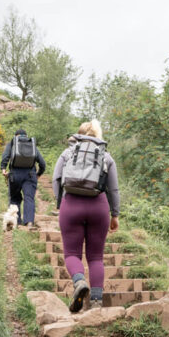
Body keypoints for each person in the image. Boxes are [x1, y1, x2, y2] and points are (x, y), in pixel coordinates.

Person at [52, 120, 120, 311]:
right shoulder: (106, 156)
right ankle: (96, 303)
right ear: (98, 136)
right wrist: (115, 214)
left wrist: (61, 203)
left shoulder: (67, 153)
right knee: (96, 257)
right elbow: (113, 189)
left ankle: (80, 282)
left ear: (78, 134)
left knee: (72, 253)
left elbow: (56, 179)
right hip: (98, 207)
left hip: (71, 205)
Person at [1, 128, 46, 227]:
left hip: (15, 175)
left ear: (16, 135)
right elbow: (42, 163)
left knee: (14, 198)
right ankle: (29, 221)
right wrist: (38, 174)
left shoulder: (13, 143)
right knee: (29, 198)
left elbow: (5, 156)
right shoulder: (31, 144)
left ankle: (17, 223)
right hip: (30, 175)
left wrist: (3, 168)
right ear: (26, 135)